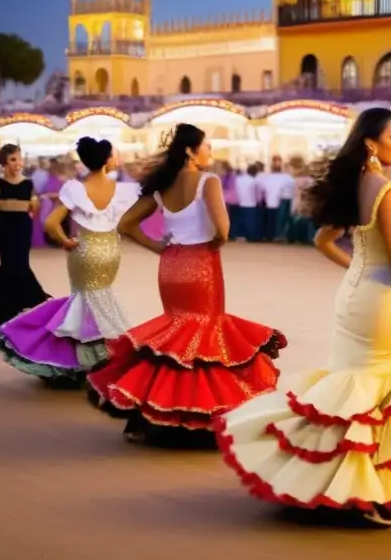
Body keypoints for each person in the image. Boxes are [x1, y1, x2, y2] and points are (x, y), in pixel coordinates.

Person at [216, 108, 391, 527]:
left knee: (361, 386)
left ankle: (364, 480)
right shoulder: (387, 191)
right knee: (383, 388)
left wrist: (356, 273)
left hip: (356, 295)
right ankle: (366, 488)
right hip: (385, 302)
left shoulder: (355, 187)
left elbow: (323, 240)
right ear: (372, 142)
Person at [87, 124, 287, 445]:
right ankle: (200, 415)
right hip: (202, 263)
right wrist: (216, 242)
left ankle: (157, 416)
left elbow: (126, 224)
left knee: (177, 337)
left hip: (171, 265)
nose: (211, 151)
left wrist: (159, 248)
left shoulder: (163, 185)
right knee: (205, 338)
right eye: (206, 146)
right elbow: (223, 228)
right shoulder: (209, 181)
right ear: (191, 151)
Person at [0, 138, 135, 384]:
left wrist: (65, 241)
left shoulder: (76, 188)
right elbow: (131, 220)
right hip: (111, 250)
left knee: (84, 301)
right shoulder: (123, 190)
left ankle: (82, 362)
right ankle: (104, 359)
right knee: (101, 298)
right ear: (107, 160)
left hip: (85, 249)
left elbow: (50, 223)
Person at [0, 144, 49, 331]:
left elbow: (34, 208)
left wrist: (35, 203)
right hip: (4, 228)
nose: (18, 163)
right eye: (13, 159)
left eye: (19, 159)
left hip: (22, 227)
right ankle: (32, 300)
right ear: (4, 162)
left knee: (19, 264)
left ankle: (7, 301)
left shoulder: (28, 184)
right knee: (12, 264)